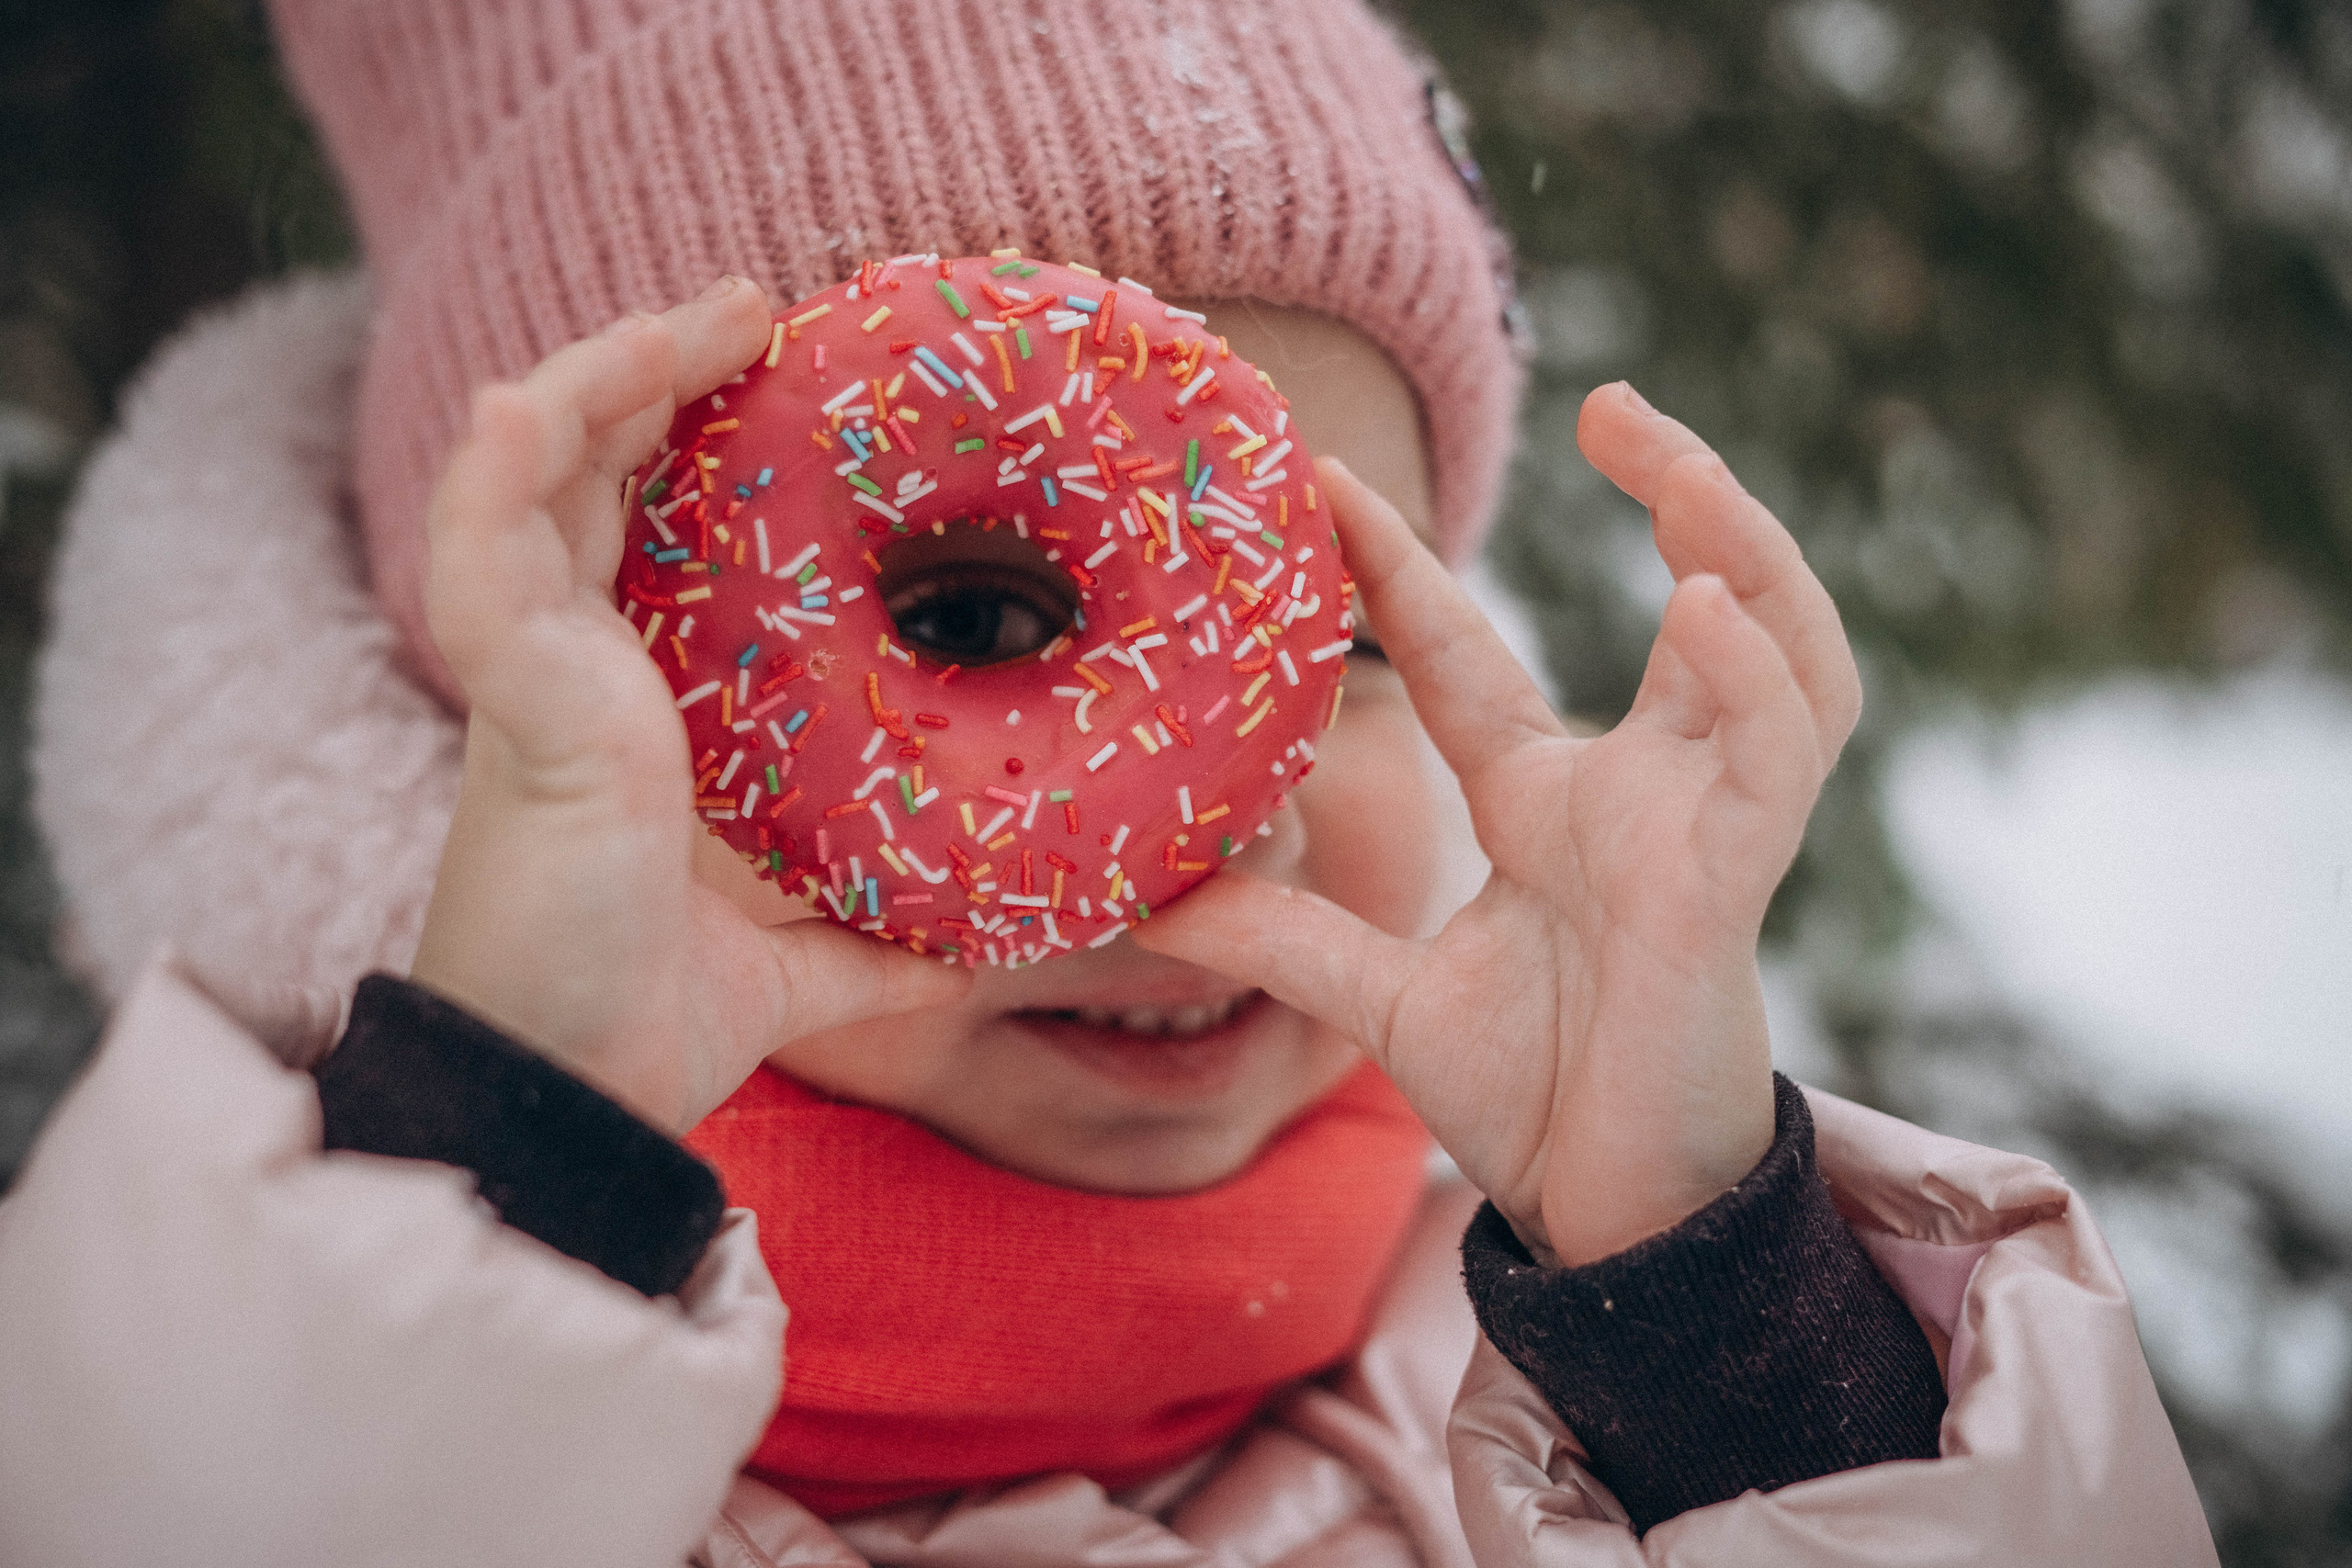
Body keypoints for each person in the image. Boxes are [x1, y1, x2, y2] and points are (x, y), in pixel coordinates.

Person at [2, 0, 2214, 1563]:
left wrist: (1718, 1319)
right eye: (963, 617)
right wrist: (497, 1165)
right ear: (513, 710)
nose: (1213, 810)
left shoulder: (1598, 1420)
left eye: (1324, 645)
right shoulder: (221, 1410)